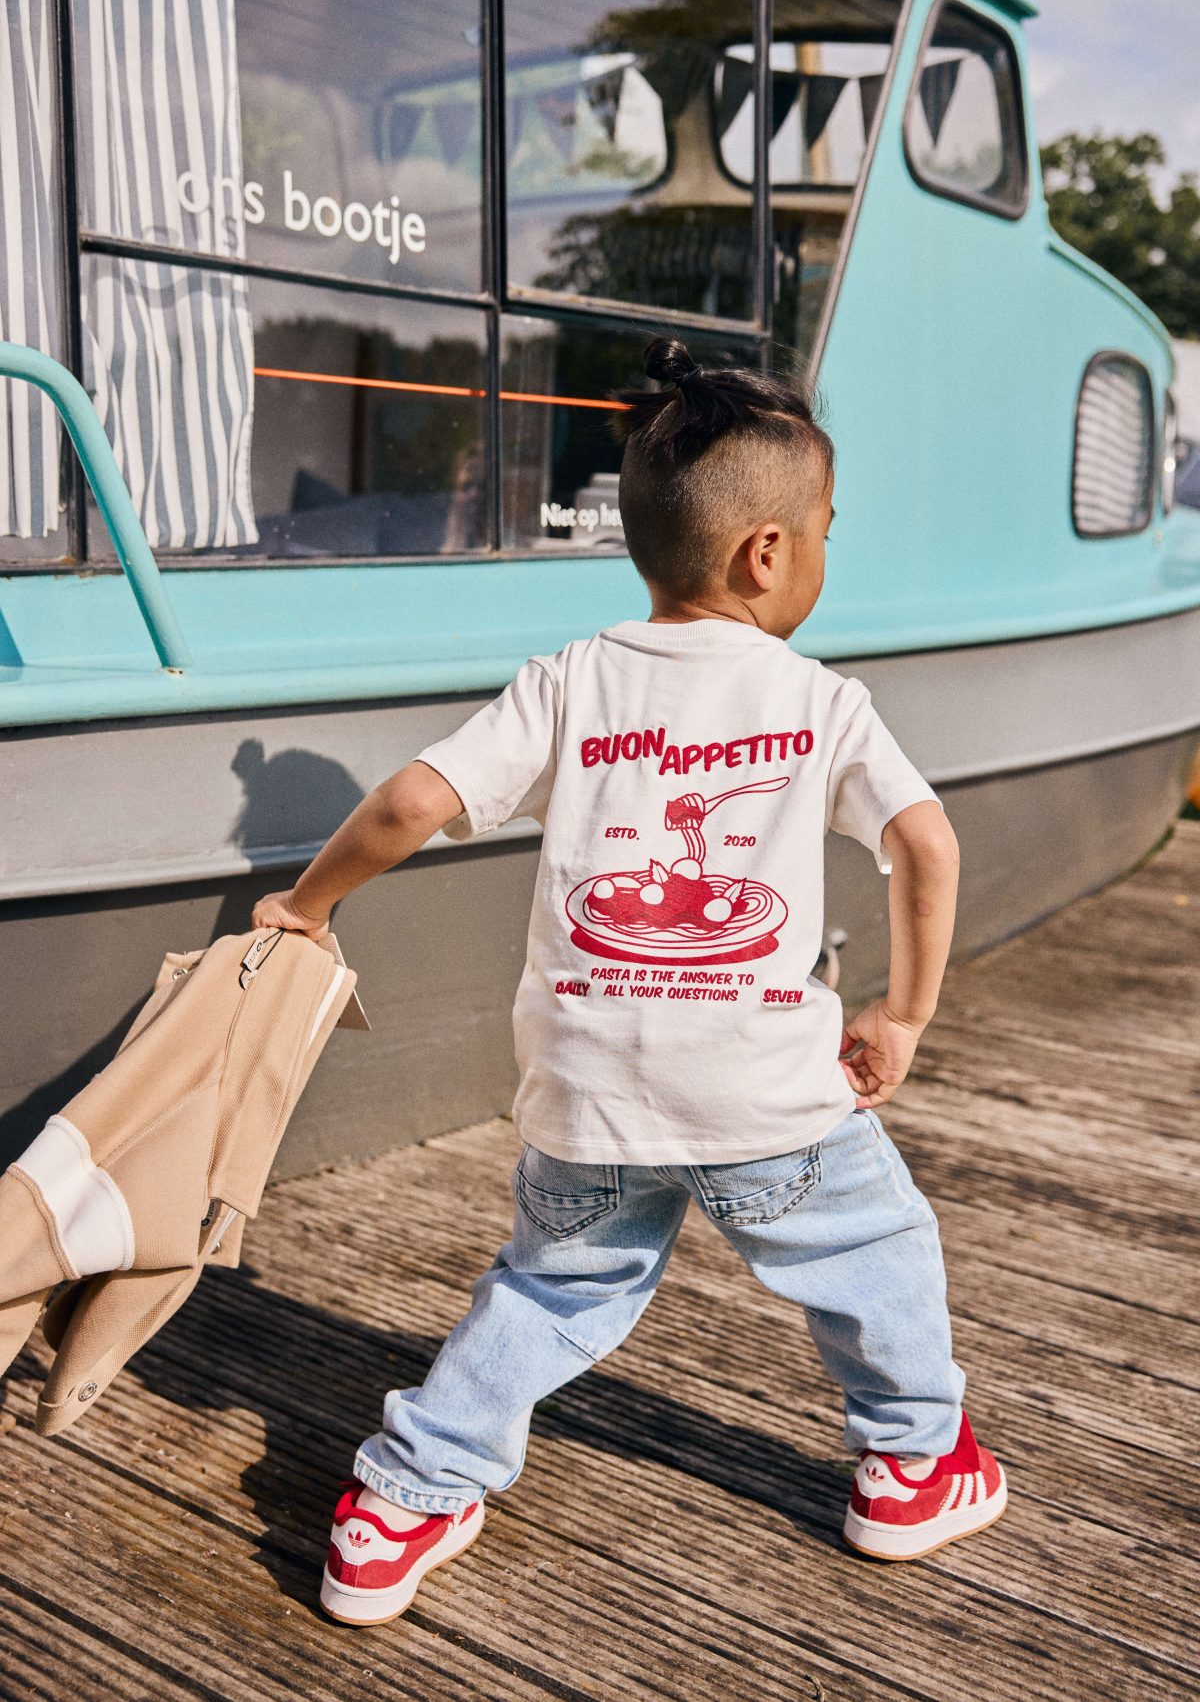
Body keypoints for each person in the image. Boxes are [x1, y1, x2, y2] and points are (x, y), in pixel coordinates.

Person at [252, 335, 1007, 1628]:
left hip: (586, 1087)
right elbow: (926, 844)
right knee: (873, 1250)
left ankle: (407, 1499)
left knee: (551, 1288)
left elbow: (414, 802)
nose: (825, 556)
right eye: (825, 534)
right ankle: (915, 1465)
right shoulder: (823, 702)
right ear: (767, 552)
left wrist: (304, 906)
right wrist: (906, 1014)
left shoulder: (571, 680)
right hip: (765, 1088)